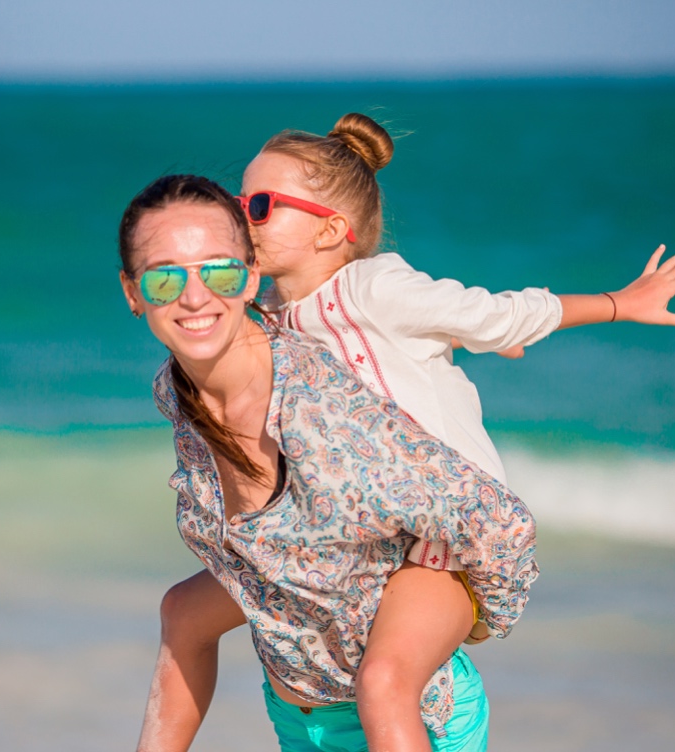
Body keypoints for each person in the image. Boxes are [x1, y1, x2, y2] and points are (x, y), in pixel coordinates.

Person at [135, 114, 675, 752]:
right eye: (239, 204)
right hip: (368, 531)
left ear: (331, 229)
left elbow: (499, 311)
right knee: (185, 610)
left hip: (444, 527)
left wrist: (612, 304)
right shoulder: (267, 318)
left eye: (262, 206)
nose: (243, 221)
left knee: (384, 682)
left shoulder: (378, 286)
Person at [119, 173, 540, 752]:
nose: (194, 297)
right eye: (165, 278)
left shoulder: (318, 409)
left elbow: (499, 521)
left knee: (380, 681)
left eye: (218, 271)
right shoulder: (178, 392)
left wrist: (464, 609)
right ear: (132, 293)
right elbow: (269, 551)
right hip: (299, 721)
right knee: (183, 612)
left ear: (250, 278)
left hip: (406, 722)